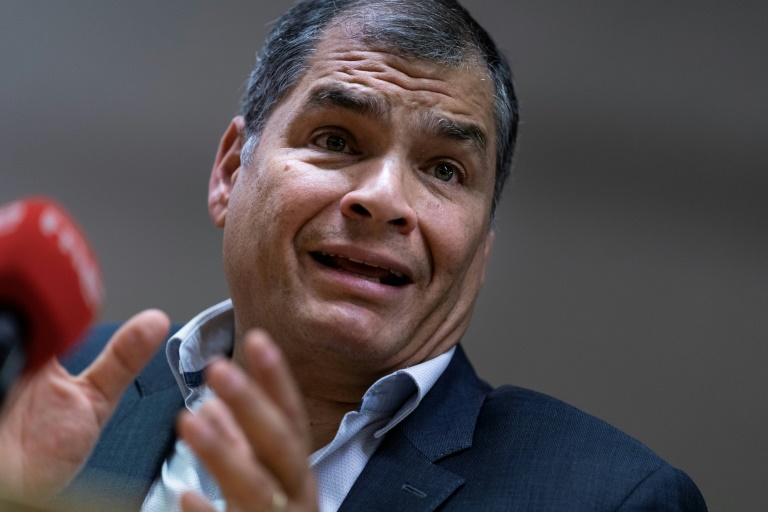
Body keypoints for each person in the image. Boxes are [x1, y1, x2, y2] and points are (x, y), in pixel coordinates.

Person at [0, 0, 708, 510]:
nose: (385, 198)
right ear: (230, 172)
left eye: (445, 170)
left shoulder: (607, 496)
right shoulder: (37, 386)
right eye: (336, 140)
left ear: (481, 250)